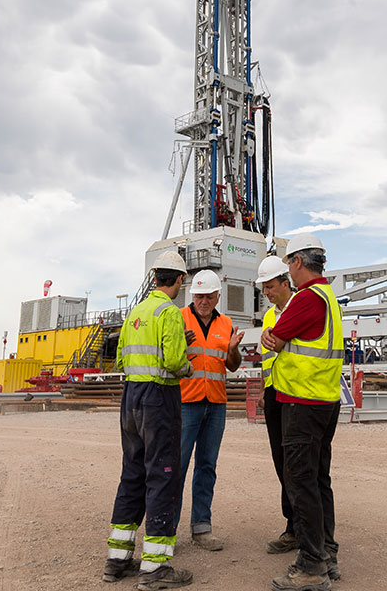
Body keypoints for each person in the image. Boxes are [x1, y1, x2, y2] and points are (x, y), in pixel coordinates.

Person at [105, 250, 196, 591]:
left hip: (130, 398)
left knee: (133, 474)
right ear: (180, 279)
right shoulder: (169, 312)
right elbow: (173, 363)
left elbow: (119, 359)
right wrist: (186, 363)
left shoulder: (135, 313)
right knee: (163, 476)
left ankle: (117, 560)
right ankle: (154, 567)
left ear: (155, 276)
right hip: (159, 399)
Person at [259, 233, 343, 591]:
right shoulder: (328, 296)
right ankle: (326, 552)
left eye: (287, 266)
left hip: (303, 404)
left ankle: (311, 566)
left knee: (302, 481)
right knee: (318, 479)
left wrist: (279, 337)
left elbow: (276, 335)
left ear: (295, 263)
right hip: (323, 401)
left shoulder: (308, 298)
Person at [174, 269, 244, 550]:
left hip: (215, 404)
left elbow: (233, 365)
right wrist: (182, 344)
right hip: (185, 403)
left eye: (209, 296)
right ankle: (165, 531)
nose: (203, 301)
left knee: (207, 467)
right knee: (175, 468)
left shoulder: (226, 323)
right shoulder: (178, 318)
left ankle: (201, 528)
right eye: (199, 296)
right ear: (192, 296)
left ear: (218, 296)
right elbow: (166, 357)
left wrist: (234, 349)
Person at [256, 255, 297, 555]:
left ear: (286, 283)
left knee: (298, 464)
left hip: (296, 394)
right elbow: (265, 357)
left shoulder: (301, 307)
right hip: (273, 394)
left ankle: (303, 527)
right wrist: (262, 389)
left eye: (270, 287)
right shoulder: (269, 316)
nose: (267, 293)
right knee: (280, 461)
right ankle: (292, 525)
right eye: (264, 289)